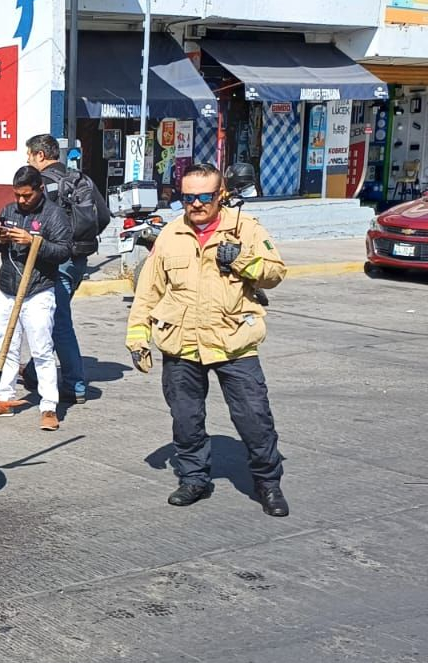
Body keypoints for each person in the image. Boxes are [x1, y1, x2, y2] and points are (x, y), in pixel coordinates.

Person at [126, 163, 289, 516]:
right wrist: (137, 335)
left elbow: (275, 272)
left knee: (254, 417)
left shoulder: (245, 228)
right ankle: (194, 479)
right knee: (185, 419)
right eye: (188, 197)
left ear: (221, 195)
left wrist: (244, 260)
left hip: (234, 340)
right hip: (181, 341)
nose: (196, 204)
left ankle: (268, 483)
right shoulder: (170, 234)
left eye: (204, 196)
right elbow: (148, 291)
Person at [23, 134, 111, 404]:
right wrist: (81, 244)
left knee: (59, 321)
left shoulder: (43, 185)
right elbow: (104, 216)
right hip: (79, 260)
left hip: (55, 261)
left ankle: (75, 385)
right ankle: (33, 372)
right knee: (50, 316)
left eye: (29, 155)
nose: (27, 160)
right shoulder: (81, 179)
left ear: (40, 155)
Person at [0, 165, 72, 429]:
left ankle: (48, 407)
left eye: (27, 196)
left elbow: (64, 251)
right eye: (17, 195)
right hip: (8, 288)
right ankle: (5, 398)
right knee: (6, 345)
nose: (21, 201)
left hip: (38, 290)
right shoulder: (9, 211)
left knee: (42, 349)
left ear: (39, 190)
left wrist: (34, 242)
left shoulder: (54, 215)